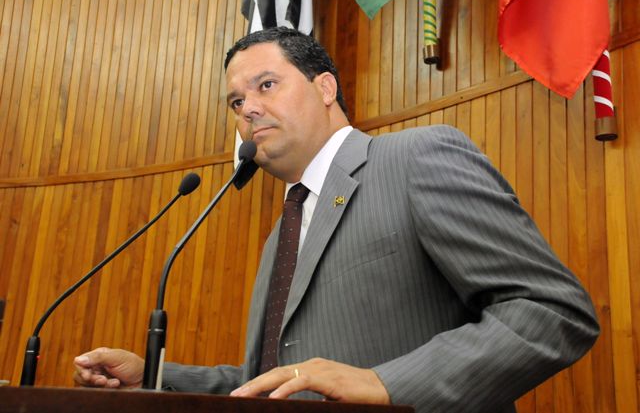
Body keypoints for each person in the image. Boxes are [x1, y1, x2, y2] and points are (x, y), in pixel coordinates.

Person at [74, 27, 599, 413]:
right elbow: (276, 380)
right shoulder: (283, 233)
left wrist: (387, 384)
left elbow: (550, 310)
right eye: (236, 101)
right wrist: (154, 377)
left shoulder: (415, 158)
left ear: (325, 88)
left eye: (266, 85)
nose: (247, 110)